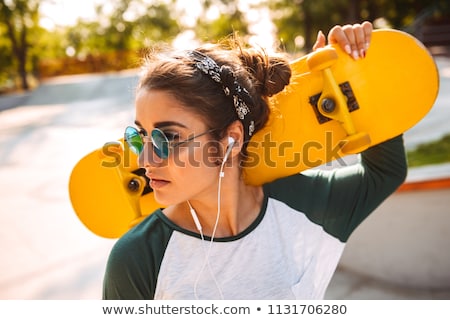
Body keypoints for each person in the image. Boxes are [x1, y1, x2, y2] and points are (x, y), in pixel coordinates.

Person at [103, 21, 407, 300]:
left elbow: (384, 173)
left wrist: (351, 73)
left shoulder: (300, 205)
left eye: (167, 138)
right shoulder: (139, 258)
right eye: (140, 135)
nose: (144, 159)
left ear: (230, 140)